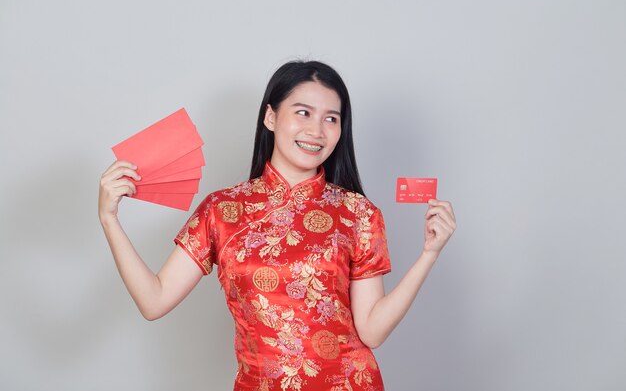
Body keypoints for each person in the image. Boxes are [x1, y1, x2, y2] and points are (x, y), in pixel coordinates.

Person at [98, 60, 457, 391]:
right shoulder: (222, 210)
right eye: (303, 113)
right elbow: (154, 300)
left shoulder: (358, 213)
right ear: (270, 117)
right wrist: (110, 220)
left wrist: (429, 254)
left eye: (331, 119)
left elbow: (373, 331)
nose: (316, 130)